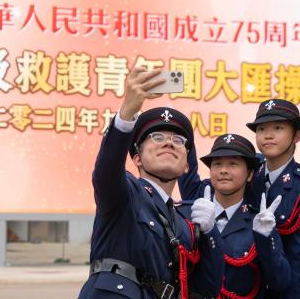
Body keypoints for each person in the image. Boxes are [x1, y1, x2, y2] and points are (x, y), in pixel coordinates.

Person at [78, 67, 223, 299]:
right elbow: (106, 169)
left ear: (186, 166)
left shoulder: (184, 223)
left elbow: (207, 288)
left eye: (178, 140)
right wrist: (126, 114)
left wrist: (210, 233)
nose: (168, 143)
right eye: (157, 137)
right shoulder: (125, 192)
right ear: (136, 158)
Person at [179, 132, 292, 298]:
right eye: (217, 164)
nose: (224, 170)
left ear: (250, 174)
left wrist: (265, 239)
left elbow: (280, 281)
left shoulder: (260, 222)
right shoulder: (188, 213)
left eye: (233, 164)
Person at [246, 98, 300, 299]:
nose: (268, 135)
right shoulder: (248, 174)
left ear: (296, 135)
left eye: (278, 128)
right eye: (261, 129)